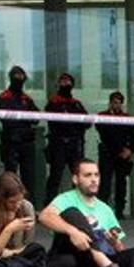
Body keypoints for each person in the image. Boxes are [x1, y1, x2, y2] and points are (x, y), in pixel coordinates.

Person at [0, 65, 40, 203]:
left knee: (29, 177)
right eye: (17, 76)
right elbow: (6, 120)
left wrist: (22, 117)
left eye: (22, 77)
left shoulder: (26, 98)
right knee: (10, 178)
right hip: (11, 143)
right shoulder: (3, 97)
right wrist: (25, 117)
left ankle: (28, 207)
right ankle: (9, 207)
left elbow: (36, 118)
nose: (19, 79)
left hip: (26, 143)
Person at [43, 72, 87, 203]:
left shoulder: (76, 104)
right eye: (62, 82)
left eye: (68, 82)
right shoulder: (53, 102)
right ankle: (49, 205)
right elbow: (52, 120)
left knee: (78, 175)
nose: (65, 84)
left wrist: (74, 128)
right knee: (55, 176)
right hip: (58, 144)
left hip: (74, 144)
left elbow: (86, 121)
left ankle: (80, 204)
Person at [96, 91, 134, 222]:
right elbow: (106, 135)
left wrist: (130, 150)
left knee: (121, 183)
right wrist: (121, 149)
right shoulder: (102, 116)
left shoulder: (126, 118)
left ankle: (119, 211)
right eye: (114, 102)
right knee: (104, 184)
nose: (116, 104)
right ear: (110, 102)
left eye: (118, 102)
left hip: (122, 156)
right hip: (108, 154)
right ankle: (102, 211)